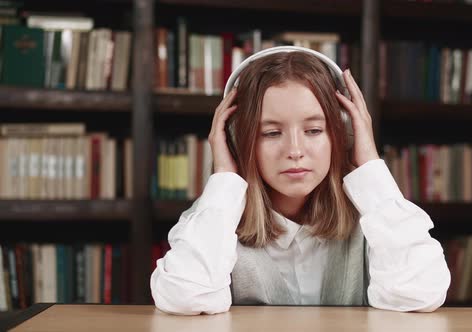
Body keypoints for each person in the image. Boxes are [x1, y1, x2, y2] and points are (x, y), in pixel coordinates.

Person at [150, 46, 451, 315]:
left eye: (314, 131)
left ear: (341, 134)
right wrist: (225, 180)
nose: (294, 151)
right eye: (270, 133)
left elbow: (419, 294)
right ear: (236, 141)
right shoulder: (214, 222)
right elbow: (184, 298)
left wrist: (370, 164)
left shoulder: (377, 220)